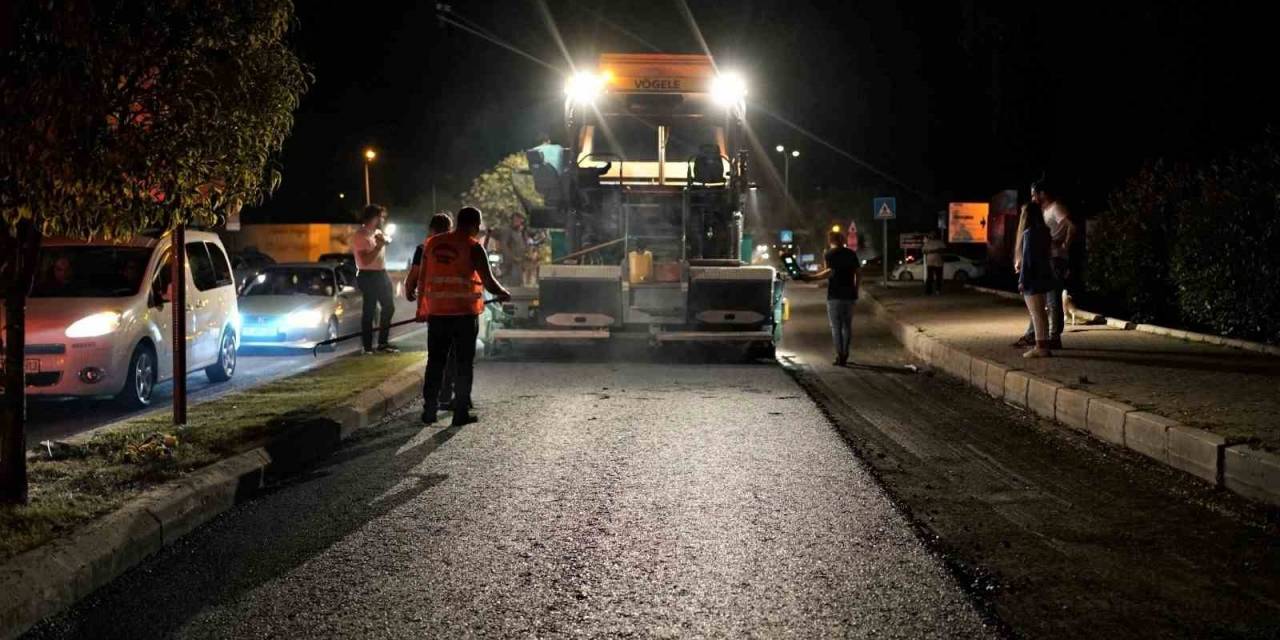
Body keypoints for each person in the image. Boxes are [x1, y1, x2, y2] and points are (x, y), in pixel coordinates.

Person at [420, 206, 512, 426]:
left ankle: (429, 410)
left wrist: (422, 308)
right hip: (463, 314)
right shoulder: (473, 247)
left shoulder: (432, 244)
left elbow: (423, 277)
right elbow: (488, 281)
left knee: (435, 362)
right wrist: (503, 293)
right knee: (463, 363)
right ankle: (460, 412)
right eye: (478, 225)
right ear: (474, 225)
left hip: (437, 313)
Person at [406, 212, 465, 411]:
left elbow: (414, 276)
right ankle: (448, 396)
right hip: (458, 310)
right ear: (450, 229)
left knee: (436, 357)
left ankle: (431, 402)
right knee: (454, 356)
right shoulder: (460, 246)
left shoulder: (424, 248)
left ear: (431, 229)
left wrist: (410, 292)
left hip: (436, 310)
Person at [1014, 179, 1076, 349]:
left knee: (1052, 299)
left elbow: (1071, 226)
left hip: (1055, 259)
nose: (1033, 198)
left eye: (1034, 194)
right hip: (1046, 258)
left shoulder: (1055, 208)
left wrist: (1064, 245)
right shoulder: (1043, 211)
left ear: (1043, 193)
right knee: (1038, 299)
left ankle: (1054, 337)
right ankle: (1035, 335)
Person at [803, 230, 861, 366]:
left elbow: (829, 272)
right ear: (842, 240)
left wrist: (811, 278)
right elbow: (858, 273)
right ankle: (845, 354)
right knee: (847, 327)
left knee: (836, 327)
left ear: (830, 241)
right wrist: (856, 290)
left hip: (835, 295)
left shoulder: (829, 254)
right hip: (849, 295)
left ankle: (840, 355)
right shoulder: (851, 254)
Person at [352, 204, 398, 354]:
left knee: (389, 307)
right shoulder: (361, 235)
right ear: (373, 218)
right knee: (370, 310)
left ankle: (382, 343)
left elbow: (387, 239)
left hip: (381, 273)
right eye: (380, 217)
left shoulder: (377, 233)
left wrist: (385, 240)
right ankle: (367, 347)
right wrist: (378, 247)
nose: (382, 220)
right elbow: (365, 261)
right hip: (368, 275)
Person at [1018, 203, 1056, 358]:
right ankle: (1044, 345)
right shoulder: (1045, 232)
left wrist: (1022, 280)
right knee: (1042, 312)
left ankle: (1040, 347)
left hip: (1032, 278)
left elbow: (1027, 259)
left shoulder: (1029, 233)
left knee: (1036, 314)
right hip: (1043, 276)